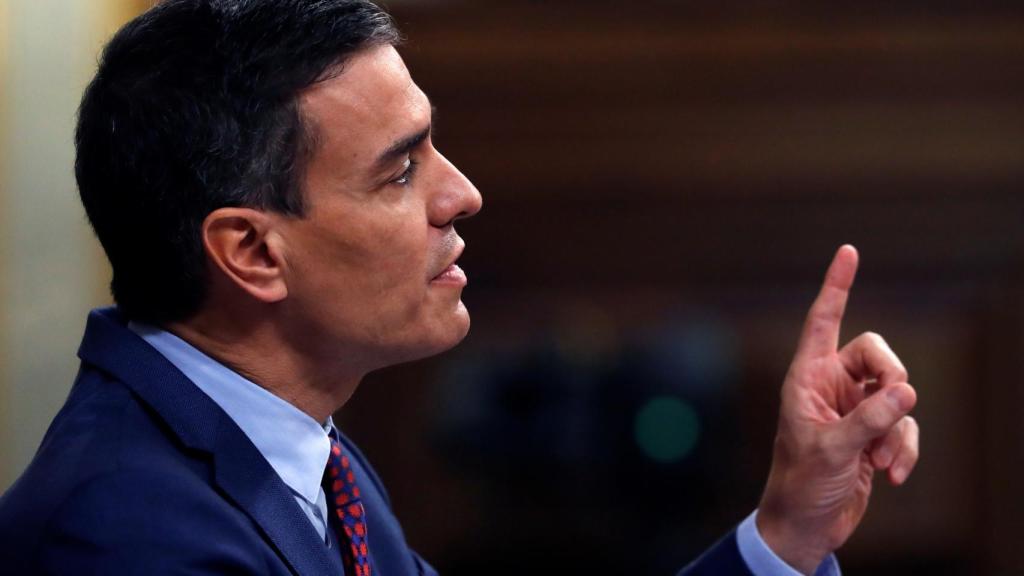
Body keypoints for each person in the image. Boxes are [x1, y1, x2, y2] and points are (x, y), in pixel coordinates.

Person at [0, 1, 919, 574]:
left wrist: (788, 533)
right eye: (400, 172)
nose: (462, 193)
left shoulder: (300, 446)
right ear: (253, 253)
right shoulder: (122, 537)